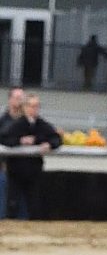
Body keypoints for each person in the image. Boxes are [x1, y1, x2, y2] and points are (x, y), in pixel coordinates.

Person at [0, 92, 62, 220]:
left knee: (35, 205)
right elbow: (4, 138)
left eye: (37, 106)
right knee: (13, 204)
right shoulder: (17, 124)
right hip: (16, 171)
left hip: (34, 171)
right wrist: (20, 141)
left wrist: (48, 144)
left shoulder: (41, 124)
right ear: (25, 107)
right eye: (32, 106)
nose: (35, 109)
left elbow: (56, 138)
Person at [0, 89, 22, 216]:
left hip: (23, 172)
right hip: (5, 170)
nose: (20, 101)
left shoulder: (29, 121)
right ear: (10, 100)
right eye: (17, 97)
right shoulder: (3, 121)